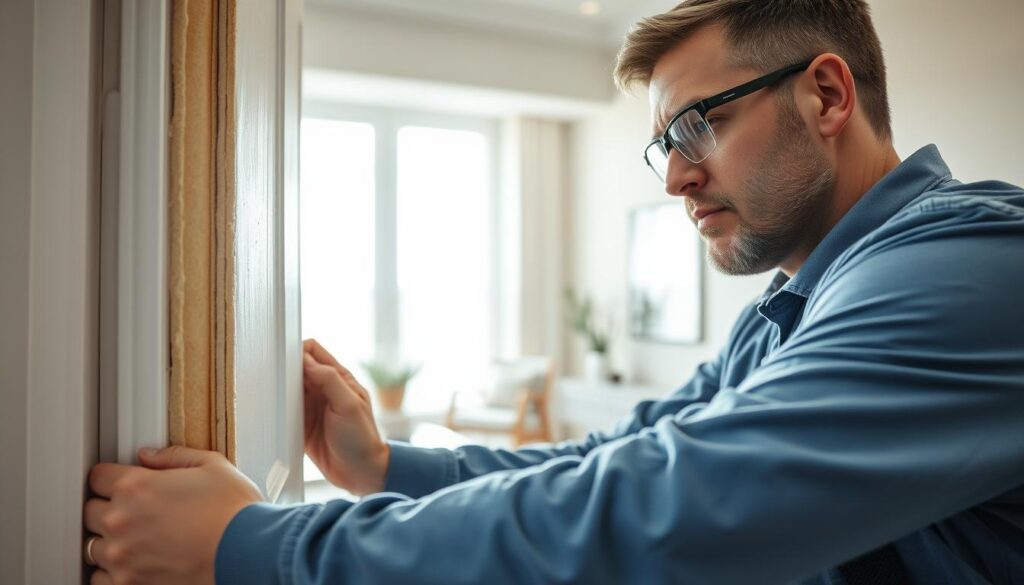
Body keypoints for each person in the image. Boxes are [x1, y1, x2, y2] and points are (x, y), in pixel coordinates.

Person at [84, 0, 1024, 583]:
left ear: (825, 96)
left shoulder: (964, 270)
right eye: (666, 144)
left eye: (699, 126)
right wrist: (382, 467)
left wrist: (259, 552)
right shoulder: (790, 312)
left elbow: (666, 507)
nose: (673, 179)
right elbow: (618, 455)